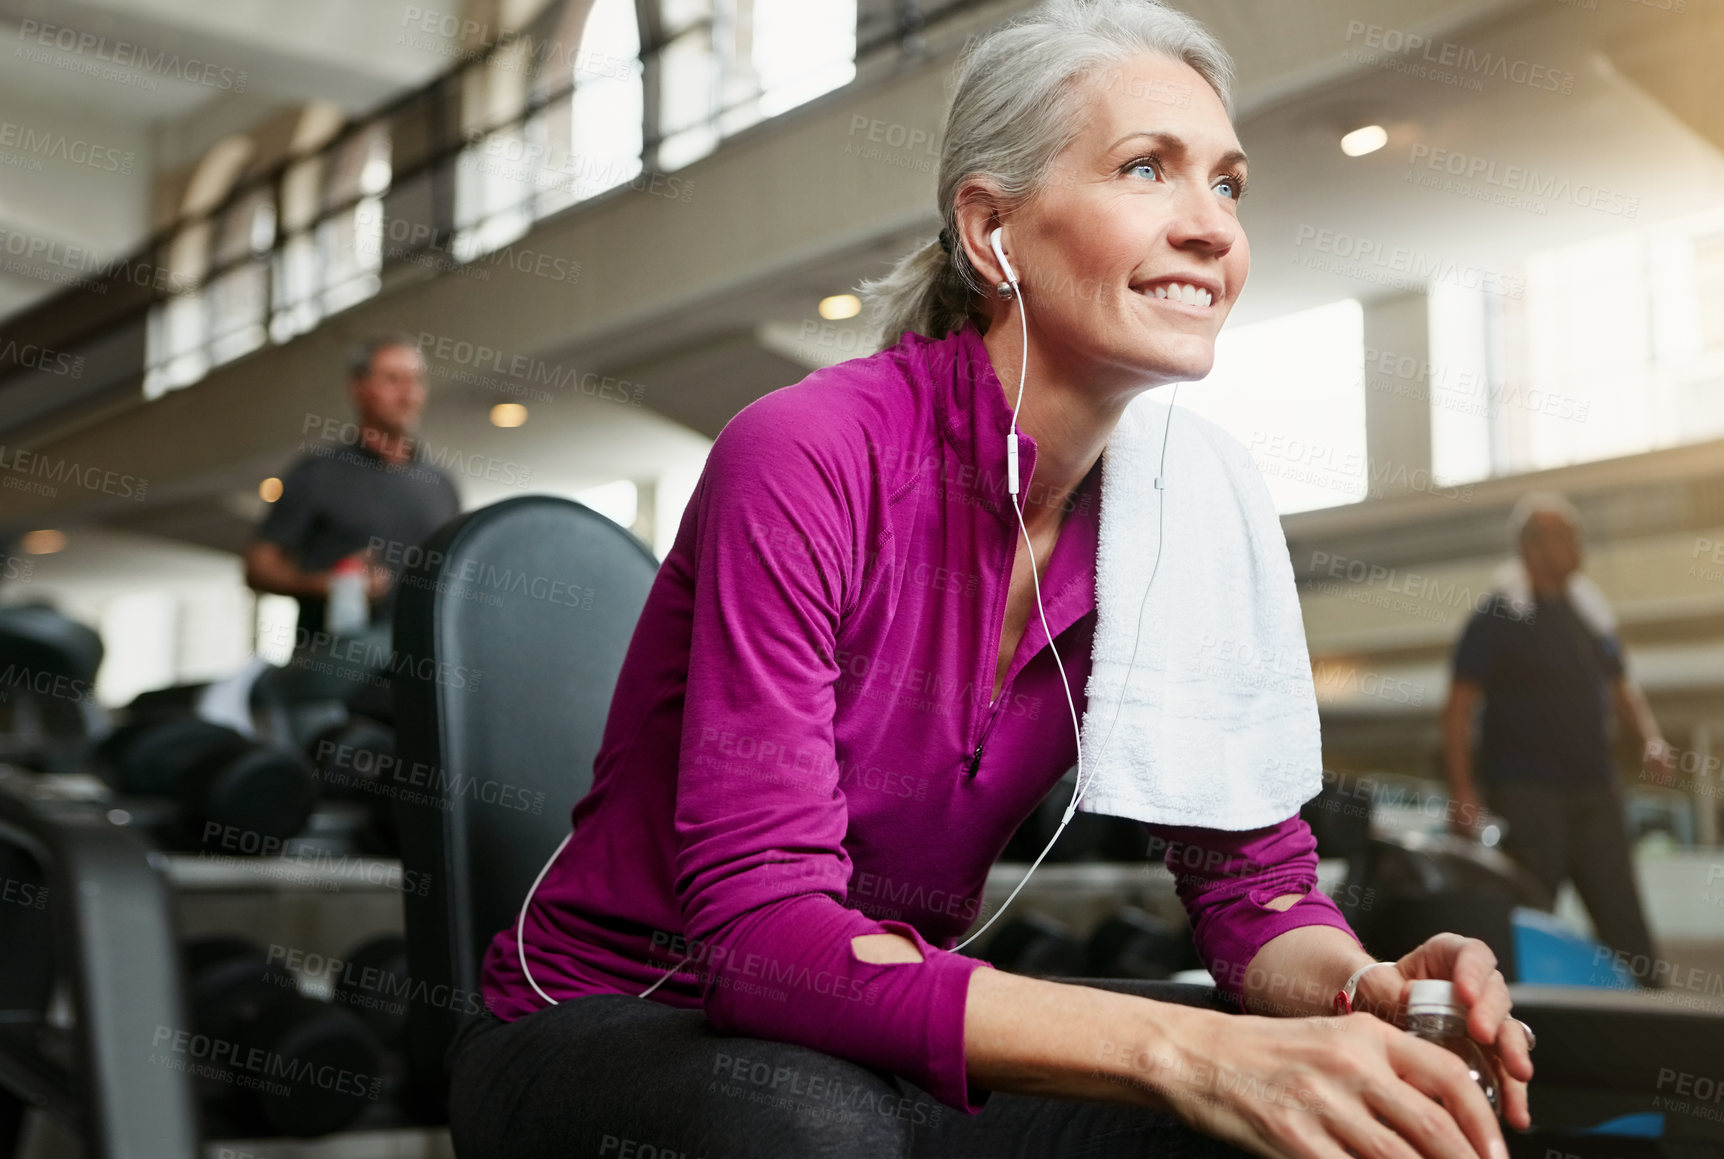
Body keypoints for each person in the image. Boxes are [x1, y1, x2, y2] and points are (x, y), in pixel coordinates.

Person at [448, 3, 1534, 1156]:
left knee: (1320, 1104)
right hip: (614, 1027)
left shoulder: (1185, 507)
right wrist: (1188, 1052)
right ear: (989, 231)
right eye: (1144, 169)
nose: (1208, 226)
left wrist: (1355, 994)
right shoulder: (808, 453)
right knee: (813, 1124)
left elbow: (1251, 893)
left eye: (1226, 184)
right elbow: (763, 942)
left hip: (862, 1039)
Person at [1442, 491, 1668, 985]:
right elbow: (1459, 707)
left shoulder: (1588, 613)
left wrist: (1650, 738)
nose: (1577, 546)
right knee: (1527, 919)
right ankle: (1511, 1029)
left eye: (1576, 535)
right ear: (1531, 547)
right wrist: (1463, 792)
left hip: (1595, 792)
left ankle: (1654, 1024)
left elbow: (1621, 684)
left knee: (1625, 922)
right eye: (1565, 536)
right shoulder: (1498, 616)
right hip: (1526, 796)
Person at [243, 333, 460, 701]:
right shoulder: (318, 474)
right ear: (358, 388)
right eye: (393, 380)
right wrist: (326, 584)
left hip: (418, 674)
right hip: (336, 674)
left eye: (416, 380)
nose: (408, 394)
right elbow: (258, 568)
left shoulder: (441, 484)